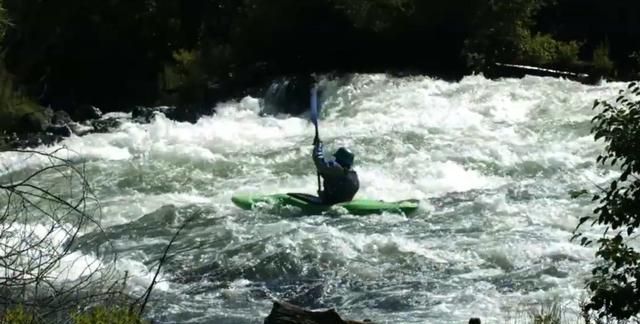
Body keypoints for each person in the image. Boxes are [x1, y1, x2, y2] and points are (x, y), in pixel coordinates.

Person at [312, 138, 360, 204]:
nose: (335, 159)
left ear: (340, 159)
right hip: (345, 199)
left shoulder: (337, 169)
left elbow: (319, 161)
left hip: (333, 201)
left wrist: (318, 146)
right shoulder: (352, 173)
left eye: (337, 158)